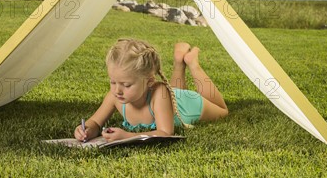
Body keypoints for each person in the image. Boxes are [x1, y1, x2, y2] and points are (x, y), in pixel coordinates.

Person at [74, 39, 228, 142]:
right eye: (113, 82)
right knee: (173, 90)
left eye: (126, 85)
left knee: (223, 111)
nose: (117, 90)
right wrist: (86, 130)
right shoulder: (114, 96)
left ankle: (193, 63)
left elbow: (165, 132)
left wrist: (127, 136)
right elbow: (95, 122)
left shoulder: (159, 93)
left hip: (188, 105)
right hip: (172, 97)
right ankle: (179, 64)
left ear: (149, 81)